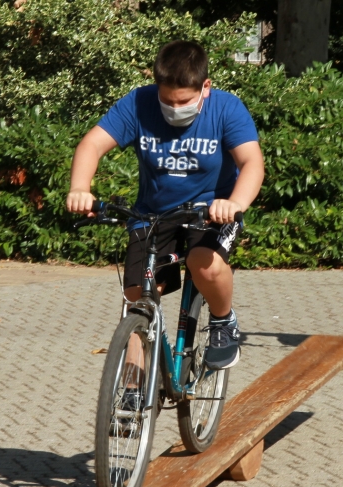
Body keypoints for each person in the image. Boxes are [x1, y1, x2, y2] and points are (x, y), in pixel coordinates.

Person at [66, 40, 264, 370]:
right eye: (166, 100)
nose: (174, 108)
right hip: (153, 214)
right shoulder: (140, 103)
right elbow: (92, 144)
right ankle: (131, 387)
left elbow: (252, 163)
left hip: (210, 212)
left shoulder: (227, 109)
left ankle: (222, 321)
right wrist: (79, 188)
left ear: (206, 87)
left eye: (184, 101)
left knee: (203, 262)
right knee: (138, 297)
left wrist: (234, 203)